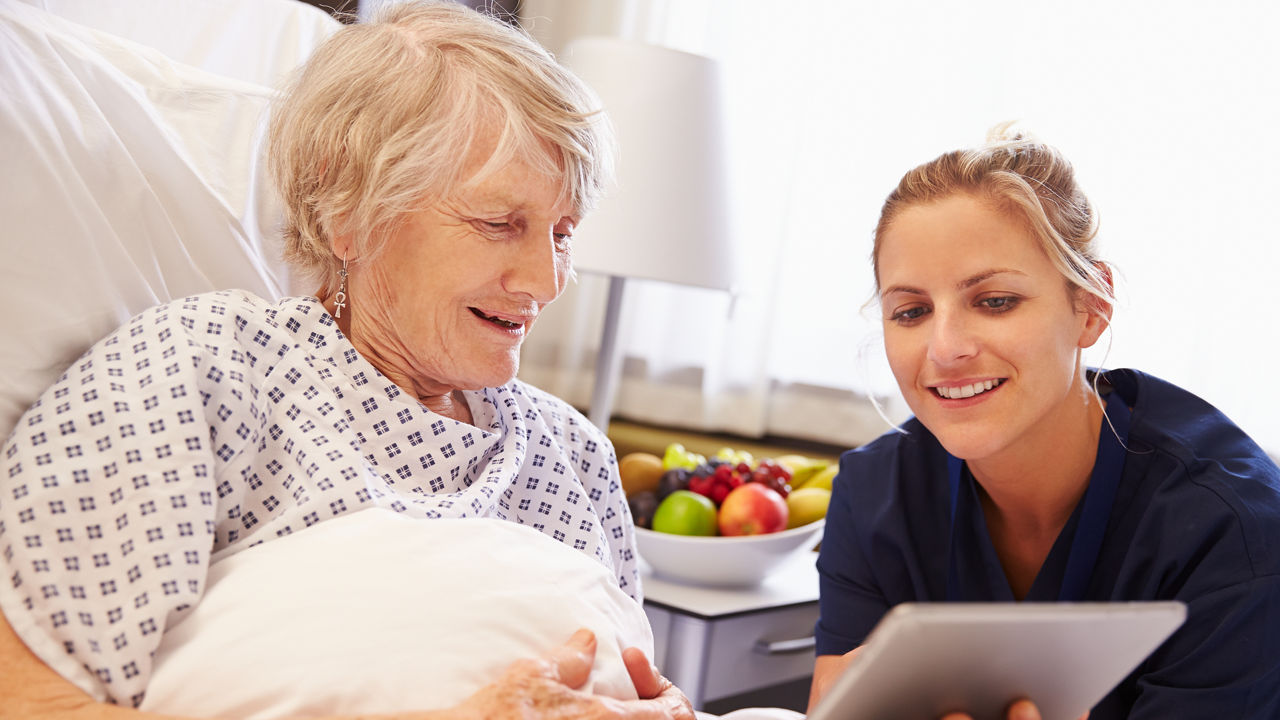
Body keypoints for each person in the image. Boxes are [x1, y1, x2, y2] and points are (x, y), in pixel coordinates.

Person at [0, 2, 694, 719]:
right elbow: (24, 698)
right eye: (497, 224)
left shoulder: (569, 451)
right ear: (348, 211)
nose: (545, 283)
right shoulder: (197, 372)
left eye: (562, 232)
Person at [808, 126, 1280, 718]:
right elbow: (832, 700)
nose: (945, 347)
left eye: (995, 301)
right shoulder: (874, 493)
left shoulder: (1231, 529)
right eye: (911, 311)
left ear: (1091, 307)